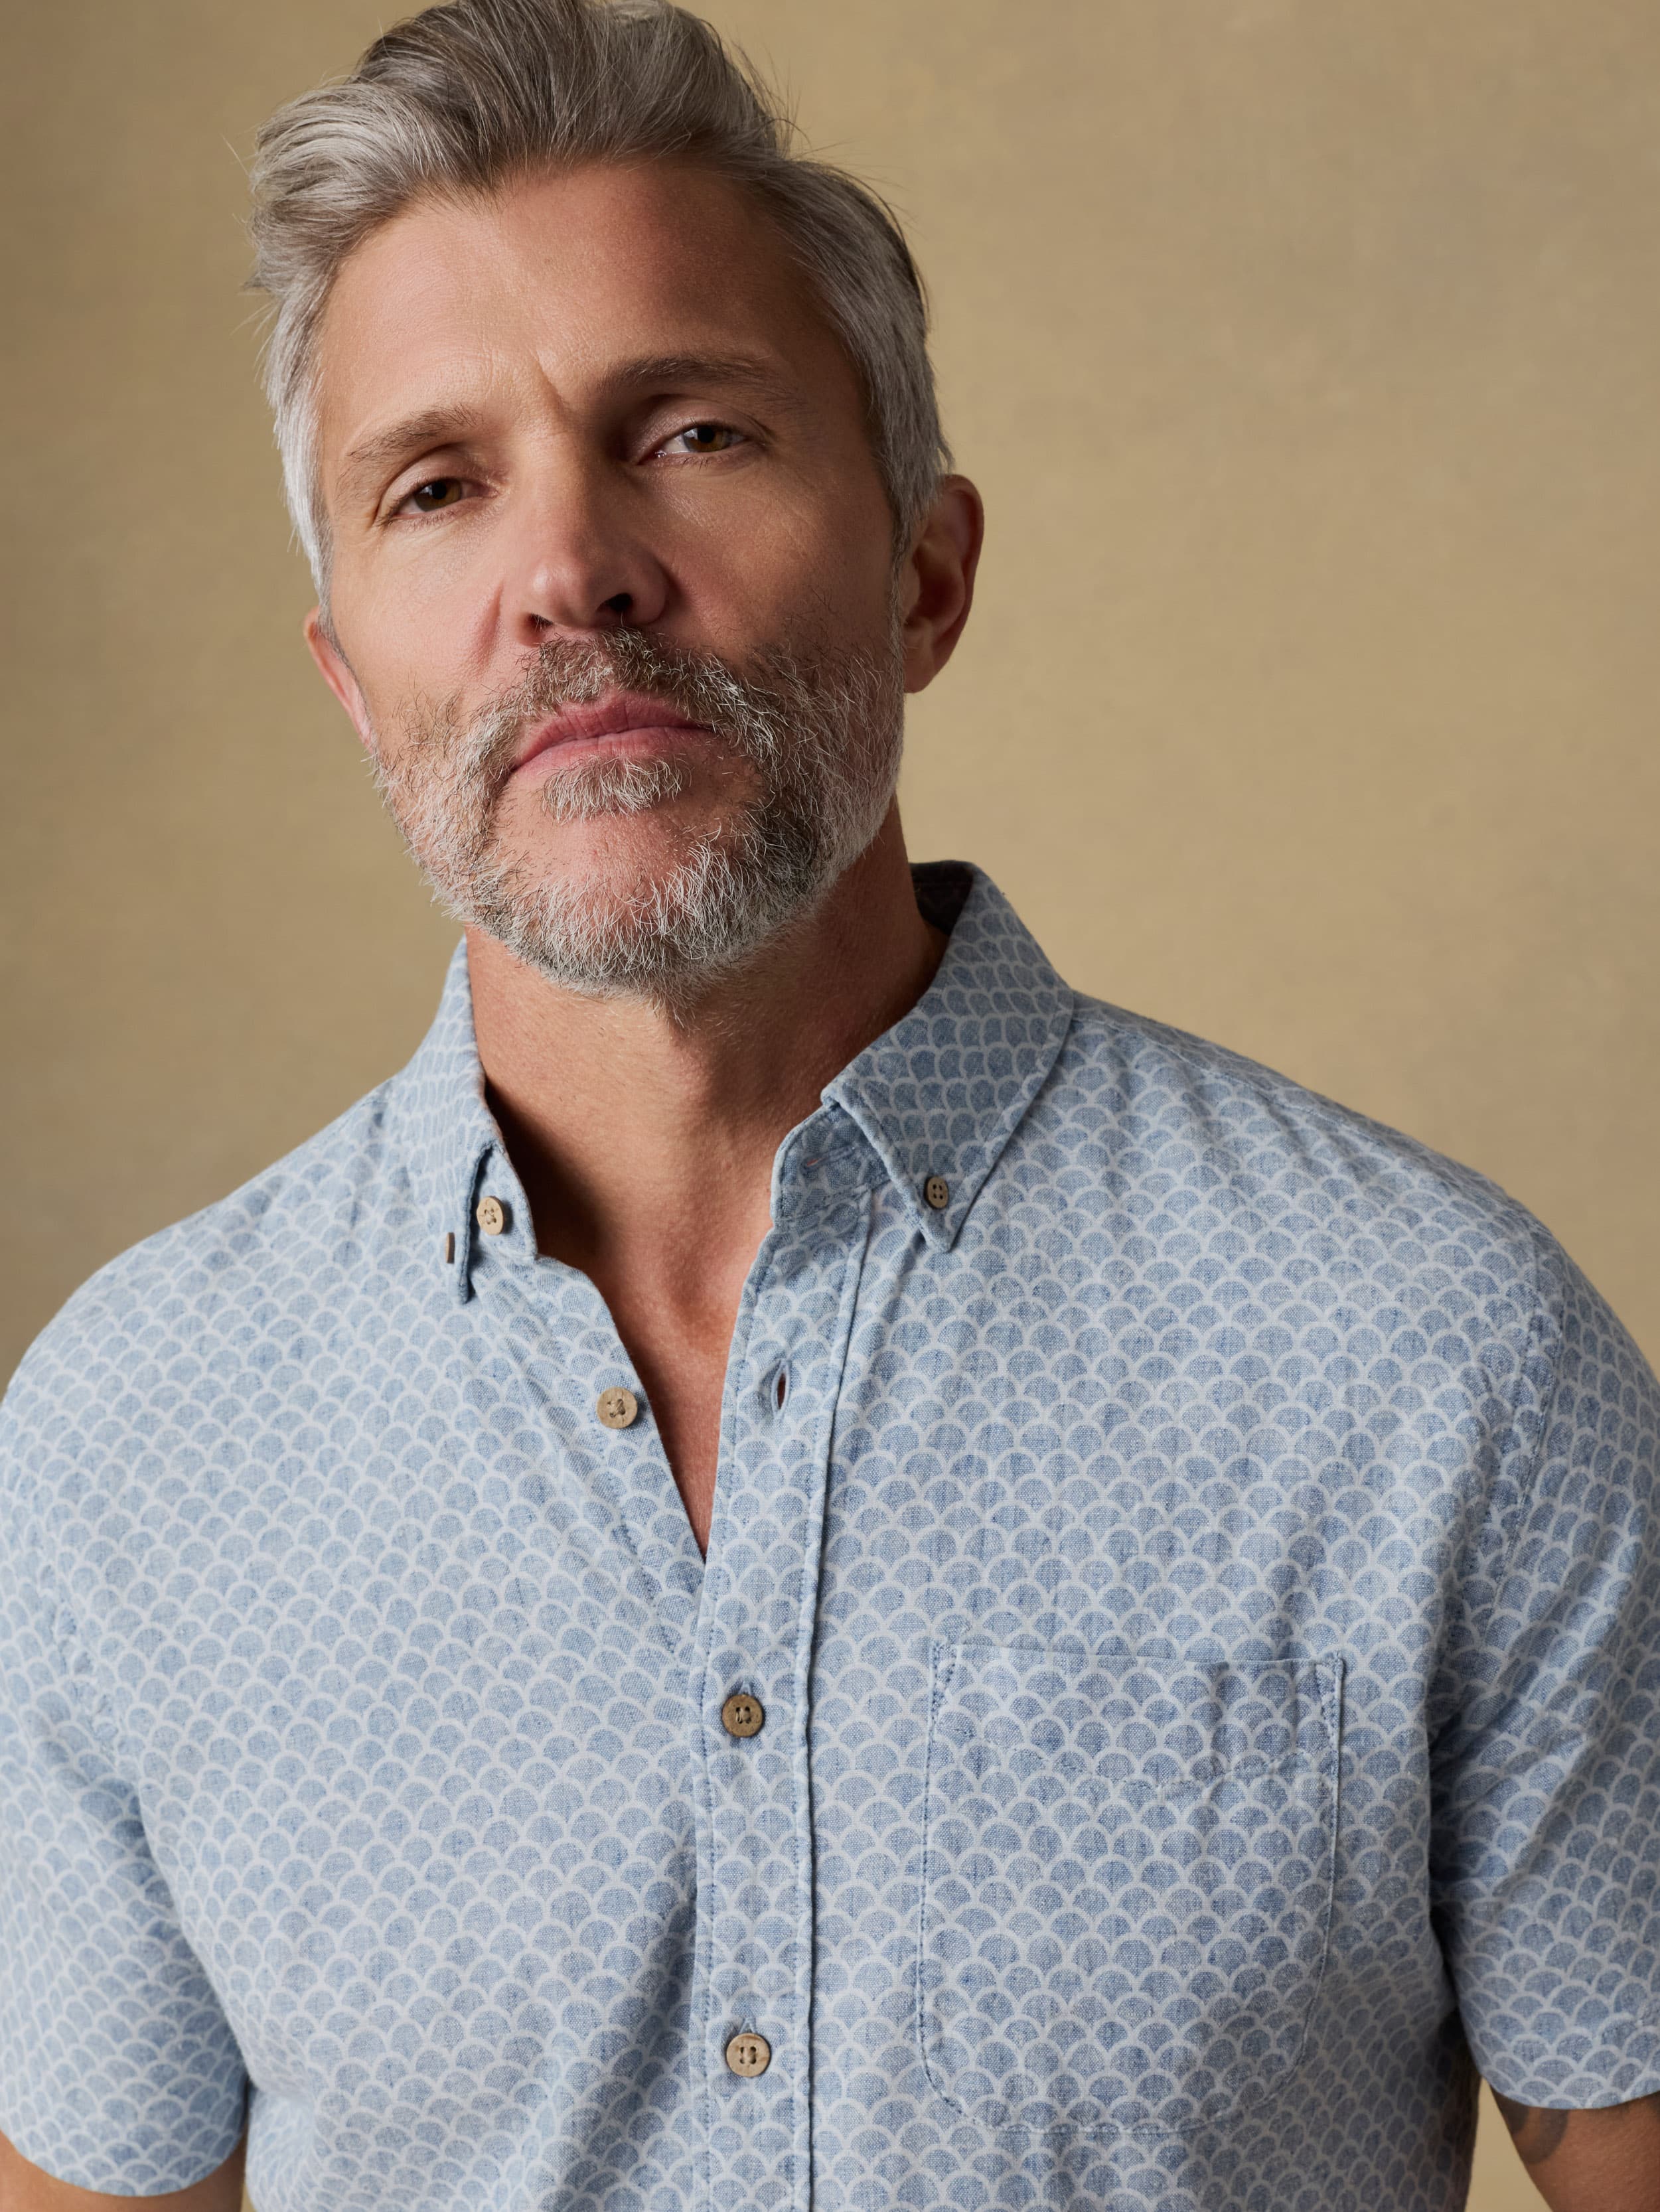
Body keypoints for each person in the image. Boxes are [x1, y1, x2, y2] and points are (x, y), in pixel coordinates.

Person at [1, 1, 1655, 2206]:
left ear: (925, 573)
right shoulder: (129, 1447)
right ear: (355, 686)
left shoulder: (1435, 1360)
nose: (572, 572)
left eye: (690, 431)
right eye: (437, 486)